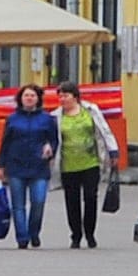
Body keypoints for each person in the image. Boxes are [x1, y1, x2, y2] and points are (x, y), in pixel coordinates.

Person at [0, 84, 60, 249]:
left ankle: (34, 232)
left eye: (32, 95)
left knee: (38, 202)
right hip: (16, 166)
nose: (29, 98)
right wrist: (0, 165)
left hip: (39, 166)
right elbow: (5, 143)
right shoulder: (12, 119)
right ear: (20, 99)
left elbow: (54, 140)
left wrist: (50, 148)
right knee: (18, 205)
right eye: (26, 96)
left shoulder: (47, 119)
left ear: (38, 98)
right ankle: (22, 237)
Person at [54, 83, 116, 248]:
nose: (62, 99)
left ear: (75, 97)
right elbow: (52, 138)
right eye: (60, 96)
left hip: (90, 162)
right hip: (68, 164)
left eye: (66, 96)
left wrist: (113, 151)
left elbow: (104, 130)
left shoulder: (90, 111)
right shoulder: (56, 116)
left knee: (90, 197)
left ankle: (90, 233)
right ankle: (76, 234)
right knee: (71, 201)